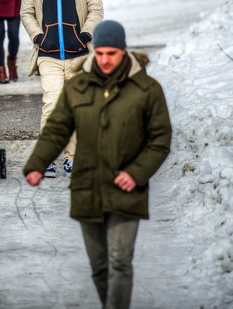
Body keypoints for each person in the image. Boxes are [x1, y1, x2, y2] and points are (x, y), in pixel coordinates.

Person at [23, 20, 171, 309]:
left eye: (111, 54)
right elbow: (57, 129)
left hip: (127, 187)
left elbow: (160, 139)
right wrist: (37, 164)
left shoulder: (146, 89)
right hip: (87, 186)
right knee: (100, 266)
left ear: (123, 52)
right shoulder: (78, 86)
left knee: (119, 261)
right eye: (99, 53)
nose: (104, 60)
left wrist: (137, 172)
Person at [20, 0, 103, 177]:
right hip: (48, 54)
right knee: (52, 104)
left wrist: (85, 34)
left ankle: (72, 157)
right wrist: (38, 36)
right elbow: (26, 12)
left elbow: (96, 9)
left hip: (78, 54)